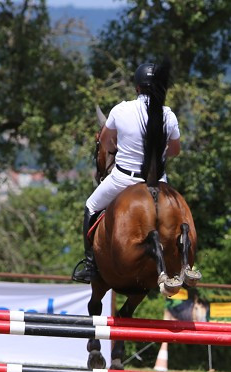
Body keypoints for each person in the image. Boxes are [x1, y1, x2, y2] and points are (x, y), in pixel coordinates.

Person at [72, 60, 182, 283]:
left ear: (137, 87)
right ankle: (184, 261)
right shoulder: (168, 115)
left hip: (124, 179)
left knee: (91, 206)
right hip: (158, 182)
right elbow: (175, 151)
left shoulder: (120, 110)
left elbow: (105, 142)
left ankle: (91, 265)